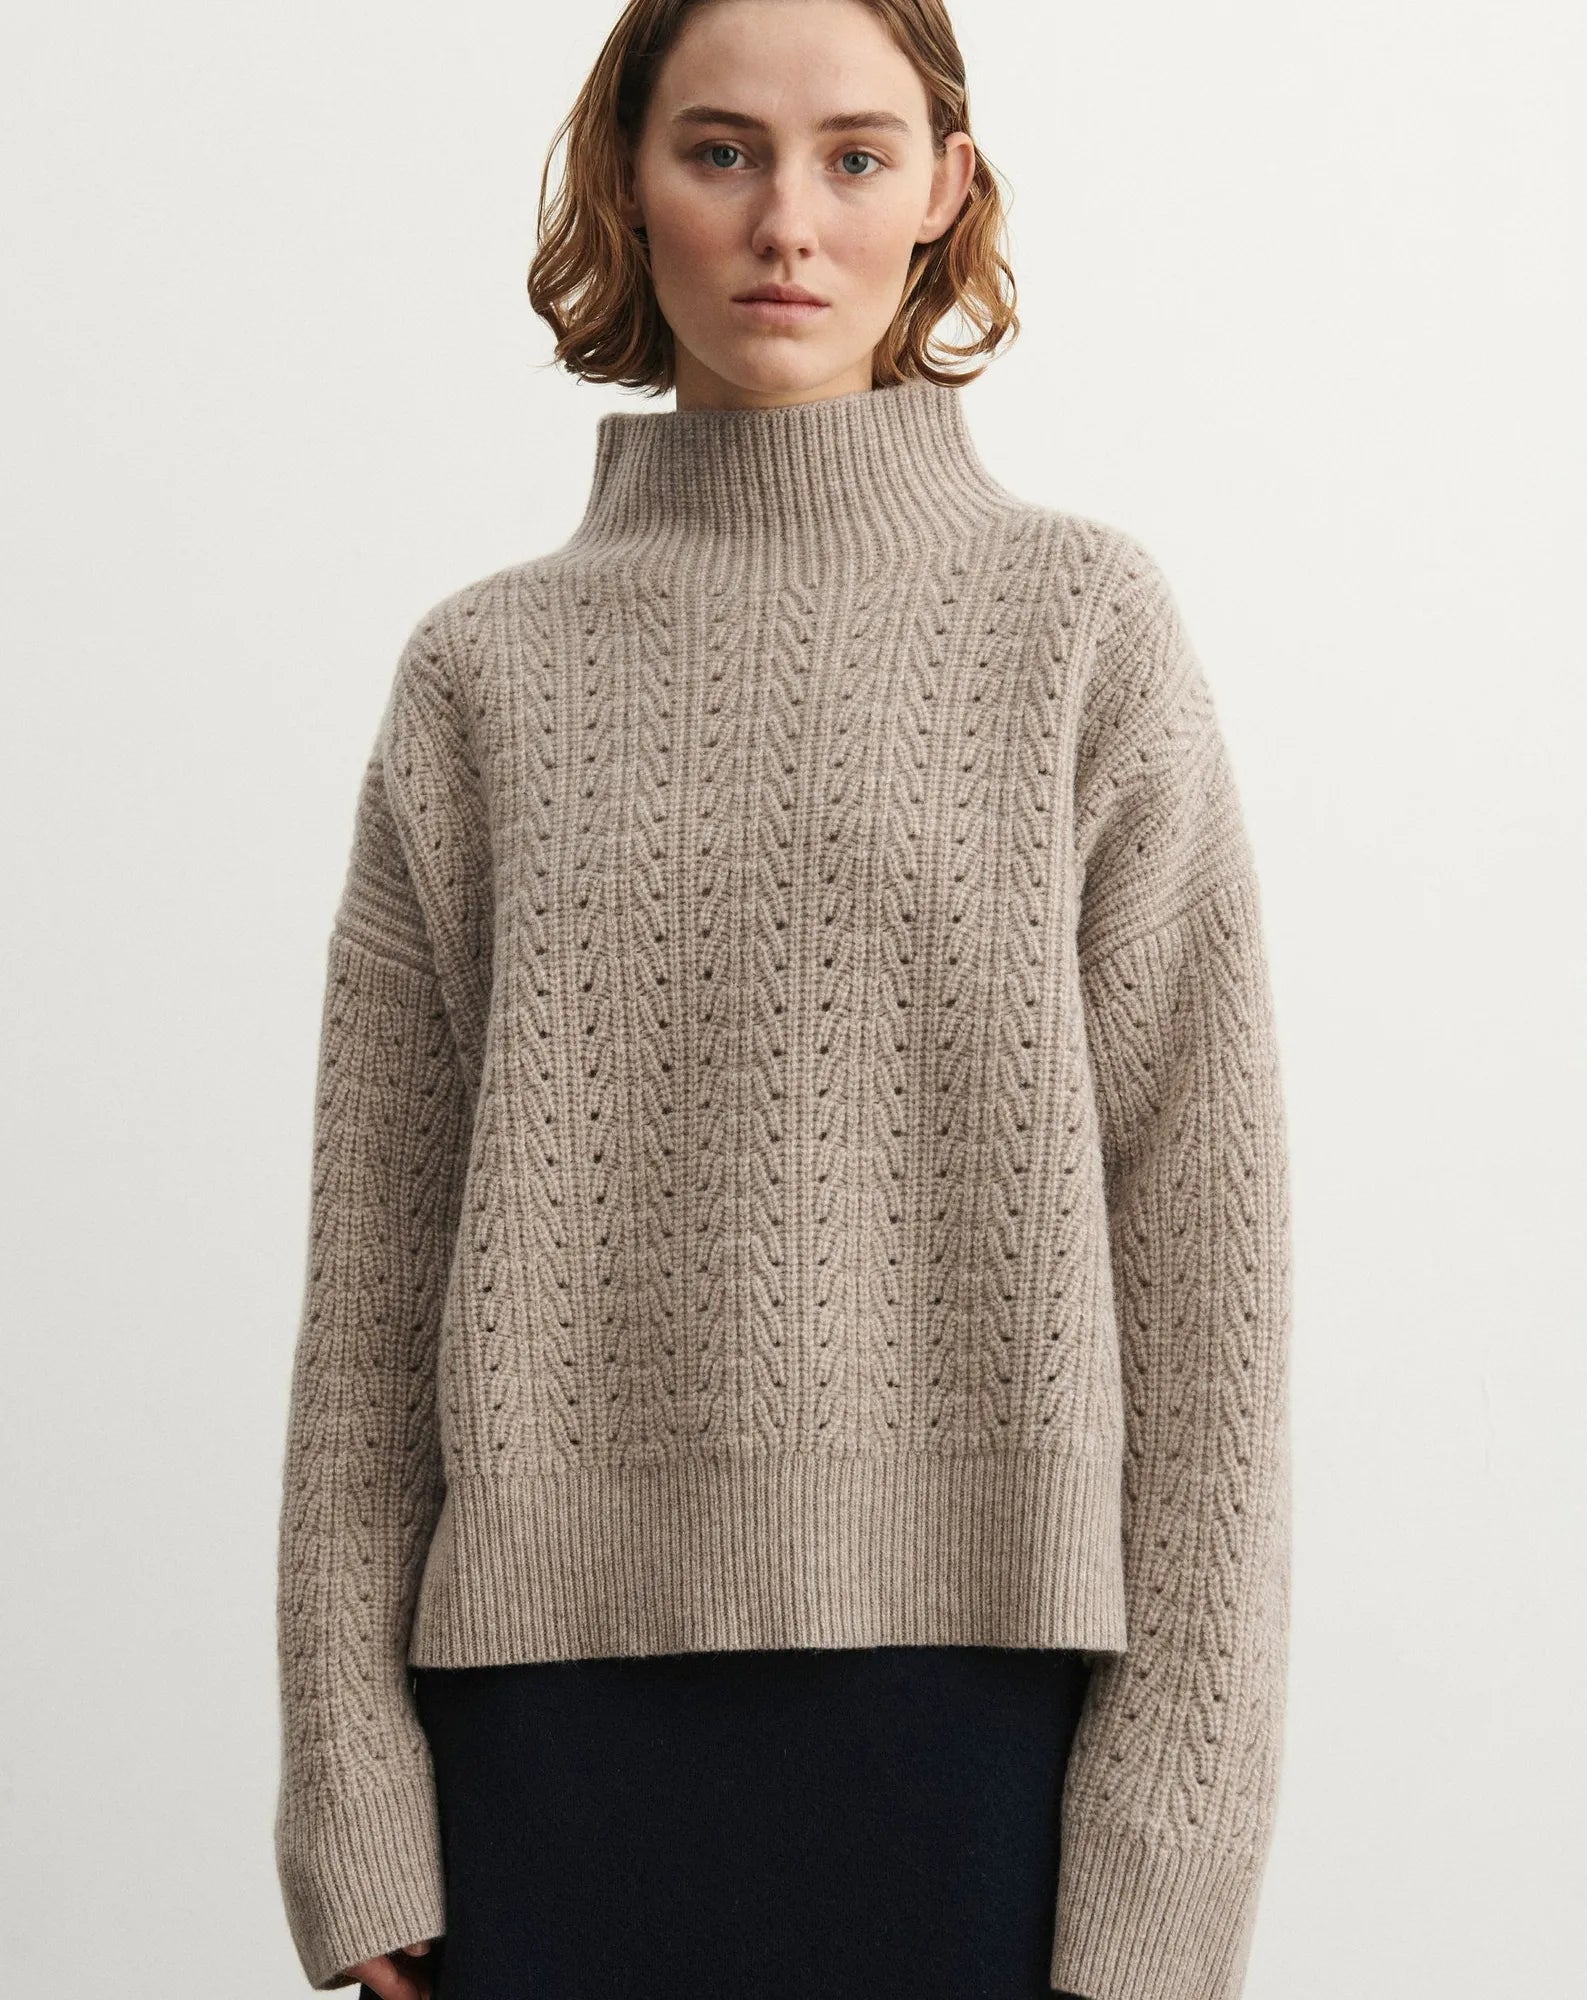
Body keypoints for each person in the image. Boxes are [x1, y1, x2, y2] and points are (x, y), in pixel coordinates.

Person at [271, 2, 1294, 1996]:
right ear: (626, 179)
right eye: (720, 150)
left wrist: (1171, 1854)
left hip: (985, 1731)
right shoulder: (481, 678)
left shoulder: (1079, 633)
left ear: (944, 192)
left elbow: (1209, 1287)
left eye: (854, 155)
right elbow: (373, 1289)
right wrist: (348, 1785)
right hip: (539, 1744)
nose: (786, 223)